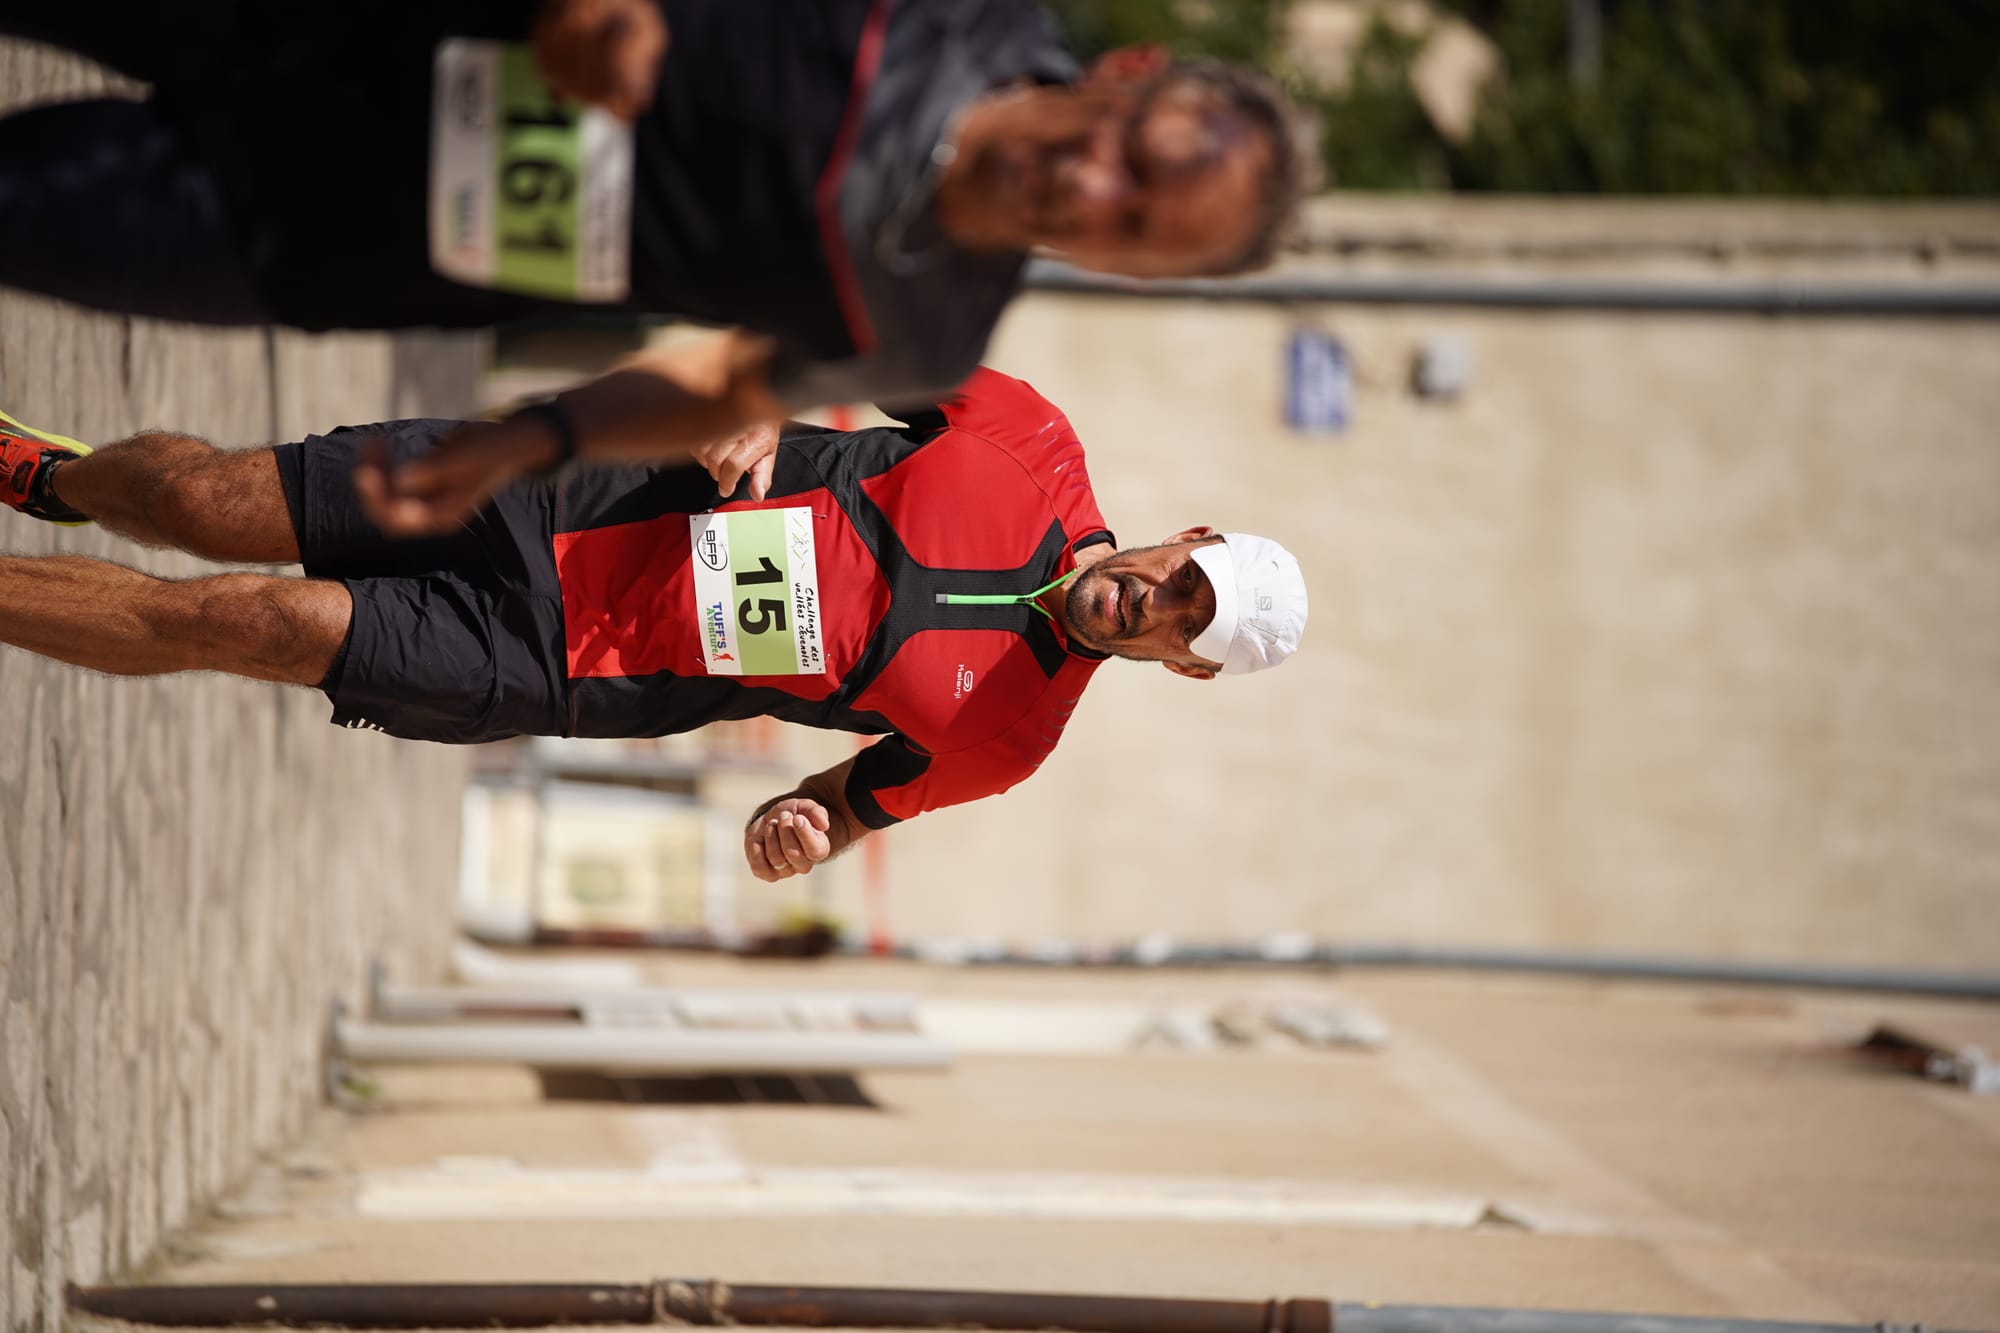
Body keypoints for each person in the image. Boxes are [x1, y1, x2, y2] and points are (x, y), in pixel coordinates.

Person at [0, 0, 1308, 523]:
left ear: (1133, 276)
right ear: (1133, 77)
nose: (1092, 188)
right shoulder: (955, 10)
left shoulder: (929, 329)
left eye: (1133, 226)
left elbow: (735, 386)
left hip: (316, 234)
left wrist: (525, 443)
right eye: (1135, 151)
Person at [0, 371, 1308, 879]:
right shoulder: (1031, 438)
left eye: (1180, 624)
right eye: (1183, 575)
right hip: (568, 485)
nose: (1153, 601)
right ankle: (56, 480)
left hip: (565, 663)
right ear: (1188, 534)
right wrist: (761, 392)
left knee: (247, 619)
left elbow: (844, 804)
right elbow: (843, 326)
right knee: (196, 500)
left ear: (1181, 663)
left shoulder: (1005, 738)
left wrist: (794, 830)